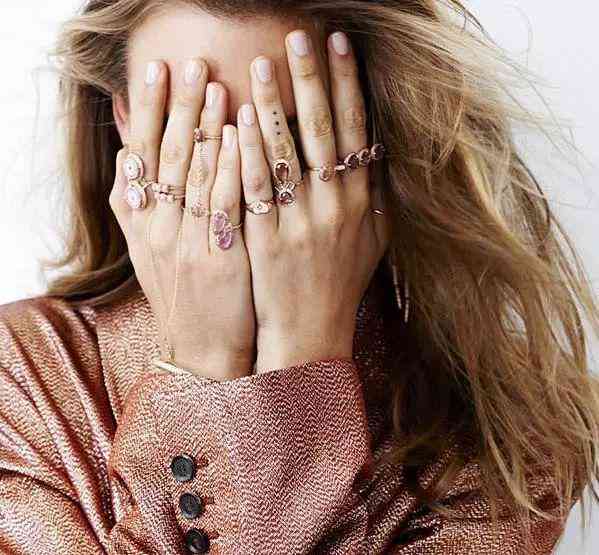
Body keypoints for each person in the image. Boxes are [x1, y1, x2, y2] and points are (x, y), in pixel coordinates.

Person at [1, 0, 598, 553]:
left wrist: (300, 355)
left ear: (368, 128)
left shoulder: (506, 442)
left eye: (281, 136)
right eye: (198, 135)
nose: (243, 181)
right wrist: (204, 361)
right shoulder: (21, 379)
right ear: (124, 118)